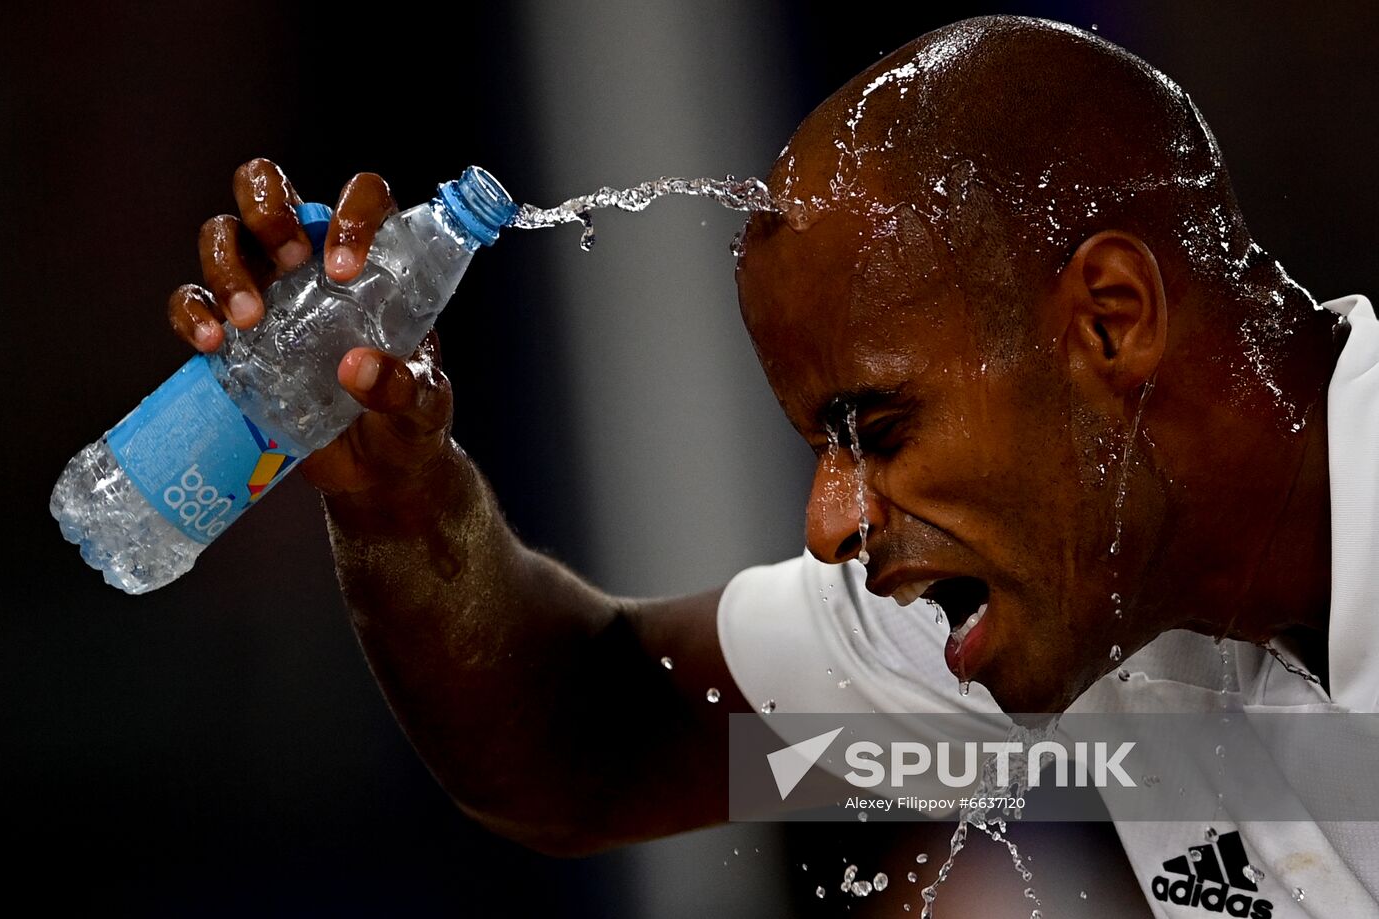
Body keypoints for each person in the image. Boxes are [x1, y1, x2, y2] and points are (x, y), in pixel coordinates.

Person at [165, 14, 1376, 914]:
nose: (830, 520)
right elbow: (590, 740)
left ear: (1110, 321)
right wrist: (395, 489)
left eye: (878, 427)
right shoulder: (1077, 572)